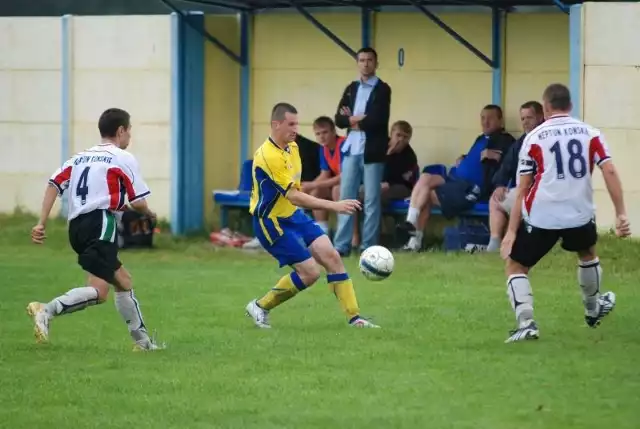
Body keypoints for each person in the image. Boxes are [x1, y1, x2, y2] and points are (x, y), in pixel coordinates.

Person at [500, 83, 631, 343]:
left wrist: (511, 232)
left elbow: (523, 188)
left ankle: (526, 323)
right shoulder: (590, 133)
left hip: (542, 215)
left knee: (516, 266)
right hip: (579, 212)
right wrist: (621, 213)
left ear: (545, 107)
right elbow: (610, 171)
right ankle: (593, 310)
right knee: (587, 253)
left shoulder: (534, 138)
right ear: (570, 106)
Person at [27, 108, 164, 351]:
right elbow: (138, 201)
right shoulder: (123, 157)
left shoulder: (80, 157)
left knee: (102, 290)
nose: (130, 136)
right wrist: (149, 214)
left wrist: (41, 222)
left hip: (76, 228)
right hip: (101, 223)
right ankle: (142, 344)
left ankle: (142, 343)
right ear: (121, 131)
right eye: (129, 130)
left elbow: (53, 184)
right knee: (123, 281)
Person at [245, 102, 379, 329]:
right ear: (276, 124)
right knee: (310, 273)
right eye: (291, 124)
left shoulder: (292, 148)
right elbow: (294, 196)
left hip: (293, 215)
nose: (296, 129)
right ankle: (260, 306)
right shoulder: (268, 156)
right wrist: (334, 206)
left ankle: (355, 319)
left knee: (333, 257)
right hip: (271, 222)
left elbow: (297, 192)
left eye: (297, 123)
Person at [398, 105, 515, 251]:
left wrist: (496, 156)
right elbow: (475, 158)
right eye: (483, 118)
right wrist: (464, 158)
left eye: (490, 118)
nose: (485, 122)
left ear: (500, 120)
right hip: (453, 179)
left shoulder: (505, 140)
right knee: (425, 178)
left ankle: (414, 242)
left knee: (425, 195)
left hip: (469, 188)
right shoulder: (480, 138)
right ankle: (410, 221)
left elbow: (508, 163)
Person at [333, 47, 392, 256]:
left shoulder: (383, 89)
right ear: (357, 63)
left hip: (372, 150)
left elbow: (378, 120)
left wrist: (354, 120)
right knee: (346, 196)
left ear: (376, 63)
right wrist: (354, 119)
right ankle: (341, 245)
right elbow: (338, 119)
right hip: (351, 148)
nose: (365, 64)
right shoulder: (351, 88)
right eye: (362, 60)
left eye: (369, 60)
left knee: (371, 199)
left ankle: (368, 245)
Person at [486, 101, 544, 252]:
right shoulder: (521, 142)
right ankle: (495, 244)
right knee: (496, 199)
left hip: (540, 194)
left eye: (529, 118)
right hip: (521, 192)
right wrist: (500, 184)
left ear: (540, 117)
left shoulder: (545, 138)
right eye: (522, 119)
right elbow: (506, 166)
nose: (525, 122)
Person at [352, 120, 419, 249]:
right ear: (391, 134)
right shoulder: (380, 146)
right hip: (378, 184)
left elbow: (396, 177)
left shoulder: (409, 155)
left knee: (375, 196)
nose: (401, 140)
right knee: (354, 195)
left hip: (401, 188)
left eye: (405, 137)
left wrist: (389, 157)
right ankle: (355, 237)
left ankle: (378, 237)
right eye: (398, 135)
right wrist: (387, 153)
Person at [301, 116, 345, 235]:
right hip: (337, 183)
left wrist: (313, 184)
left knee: (336, 190)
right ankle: (323, 232)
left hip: (353, 183)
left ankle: (344, 233)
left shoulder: (343, 144)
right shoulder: (324, 148)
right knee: (316, 192)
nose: (322, 136)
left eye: (325, 132)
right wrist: (306, 187)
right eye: (318, 134)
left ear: (333, 131)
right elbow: (324, 174)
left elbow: (343, 176)